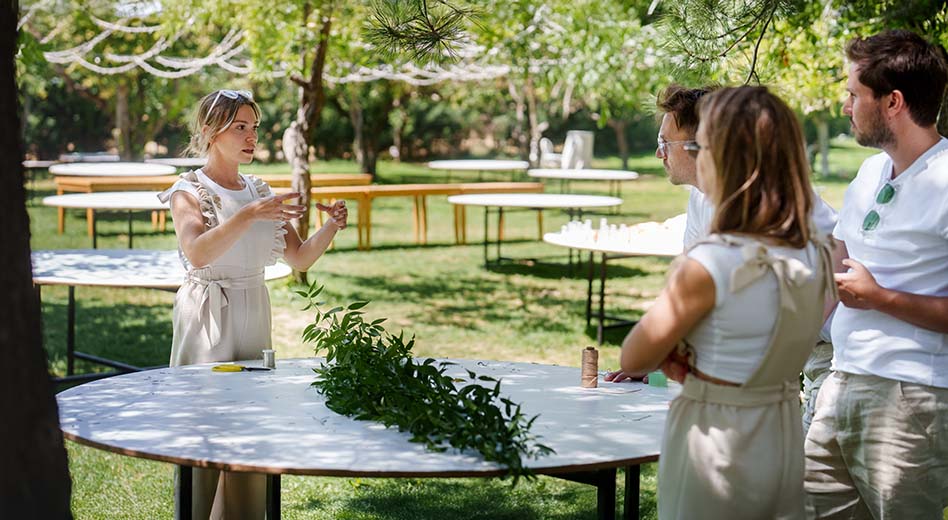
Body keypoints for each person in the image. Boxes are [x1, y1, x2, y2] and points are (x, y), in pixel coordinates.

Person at [620, 86, 835, 519]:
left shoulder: (710, 261)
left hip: (717, 442)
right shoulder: (818, 250)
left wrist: (677, 350)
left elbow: (635, 355)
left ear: (717, 154)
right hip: (782, 431)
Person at [157, 89, 348, 519]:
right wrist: (247, 215)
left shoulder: (259, 189)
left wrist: (330, 226)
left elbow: (299, 258)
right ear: (210, 132)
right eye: (239, 127)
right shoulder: (188, 191)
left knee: (250, 426)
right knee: (206, 426)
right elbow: (198, 252)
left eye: (254, 128)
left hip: (253, 308)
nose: (251, 137)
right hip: (207, 312)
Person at [804, 30, 948, 518]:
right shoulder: (867, 173)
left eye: (853, 94)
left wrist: (881, 297)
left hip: (911, 397)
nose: (846, 106)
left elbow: (864, 290)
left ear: (893, 102)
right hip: (840, 382)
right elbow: (837, 274)